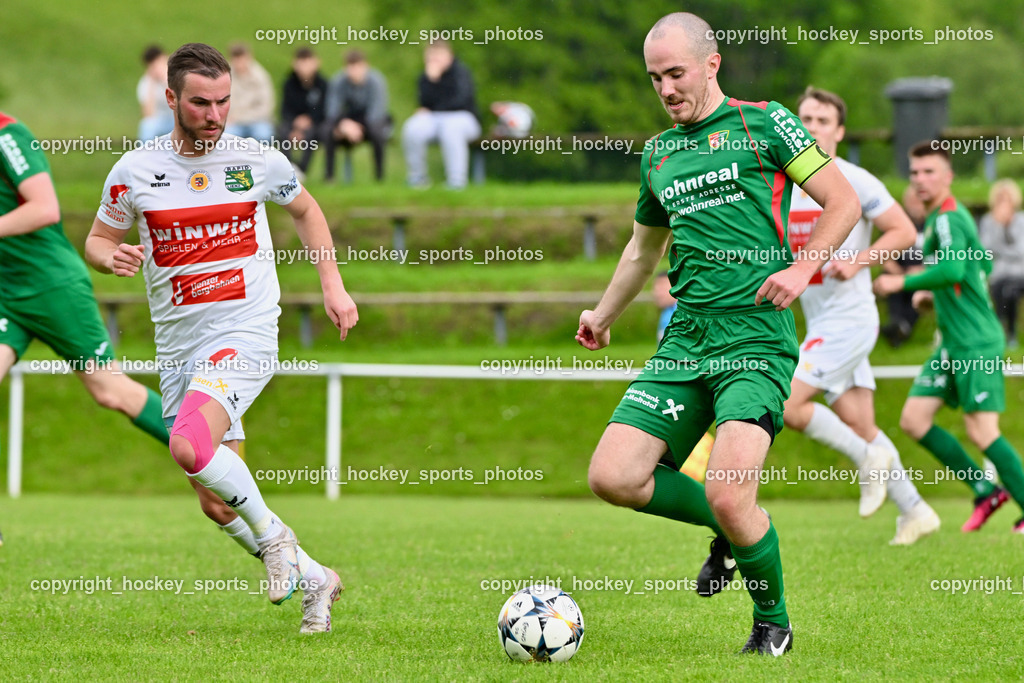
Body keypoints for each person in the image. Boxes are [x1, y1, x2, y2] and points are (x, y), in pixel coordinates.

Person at [578, 13, 860, 655]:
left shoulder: (767, 122)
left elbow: (842, 201)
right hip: (686, 339)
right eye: (655, 79)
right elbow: (640, 253)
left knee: (732, 496)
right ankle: (741, 527)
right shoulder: (658, 154)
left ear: (712, 63)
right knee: (613, 477)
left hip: (755, 338)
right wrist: (602, 314)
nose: (667, 89)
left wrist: (802, 264)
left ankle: (773, 624)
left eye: (676, 73)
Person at [85, 43, 359, 632]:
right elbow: (96, 241)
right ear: (171, 101)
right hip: (180, 347)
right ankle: (316, 578)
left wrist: (333, 287)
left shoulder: (256, 160)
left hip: (246, 330)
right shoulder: (134, 172)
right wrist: (114, 258)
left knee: (187, 443)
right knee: (213, 497)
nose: (215, 114)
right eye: (201, 103)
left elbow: (307, 211)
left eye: (224, 101)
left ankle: (276, 539)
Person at [781, 87, 939, 545]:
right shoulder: (783, 186)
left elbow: (905, 230)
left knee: (789, 404)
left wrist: (860, 260)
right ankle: (915, 511)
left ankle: (867, 460)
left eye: (822, 121)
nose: (810, 128)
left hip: (850, 323)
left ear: (840, 131)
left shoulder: (852, 179)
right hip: (822, 323)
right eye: (804, 118)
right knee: (862, 424)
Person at [0, 111, 171, 458]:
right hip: (6, 292)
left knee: (110, 390)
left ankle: (219, 455)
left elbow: (44, 208)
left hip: (50, 284)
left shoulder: (8, 136)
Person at [874, 142, 1024, 534]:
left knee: (982, 430)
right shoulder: (939, 219)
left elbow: (955, 269)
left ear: (948, 177)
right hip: (952, 342)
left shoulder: (948, 218)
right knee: (914, 419)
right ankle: (984, 490)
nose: (921, 180)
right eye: (915, 173)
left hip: (975, 342)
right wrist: (931, 295)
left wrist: (901, 282)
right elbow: (972, 269)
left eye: (929, 172)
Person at [401, 40, 480, 189]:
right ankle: (417, 178)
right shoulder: (425, 77)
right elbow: (423, 102)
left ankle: (456, 181)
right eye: (431, 58)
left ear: (449, 56)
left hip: (462, 118)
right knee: (412, 127)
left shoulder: (461, 73)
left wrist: (435, 104)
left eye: (438, 57)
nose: (434, 62)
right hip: (434, 119)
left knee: (451, 129)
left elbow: (460, 100)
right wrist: (431, 81)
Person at [322, 50, 391, 182]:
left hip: (370, 123)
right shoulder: (338, 81)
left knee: (377, 132)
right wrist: (343, 125)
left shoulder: (377, 82)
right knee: (328, 131)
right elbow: (332, 109)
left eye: (358, 67)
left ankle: (379, 177)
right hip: (346, 122)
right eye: (351, 68)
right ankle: (329, 177)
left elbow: (377, 111)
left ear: (366, 66)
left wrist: (357, 127)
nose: (355, 72)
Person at [978, 179, 1024, 347]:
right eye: (1000, 199)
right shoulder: (988, 221)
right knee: (1001, 288)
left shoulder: (1021, 221)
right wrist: (998, 226)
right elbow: (985, 250)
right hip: (998, 275)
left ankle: (1009, 332)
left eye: (1007, 199)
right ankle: (999, 332)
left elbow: (1021, 251)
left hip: (1020, 273)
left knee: (1009, 290)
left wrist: (1001, 250)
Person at [880, 186, 926, 347]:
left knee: (916, 291)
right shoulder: (896, 224)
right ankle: (898, 325)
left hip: (922, 274)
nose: (915, 204)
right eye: (912, 201)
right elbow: (882, 253)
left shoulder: (930, 225)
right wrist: (897, 271)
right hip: (898, 271)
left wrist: (922, 270)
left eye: (918, 201)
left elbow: (940, 257)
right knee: (895, 287)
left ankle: (900, 327)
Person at [277, 47, 328, 176]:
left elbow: (324, 109)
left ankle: (302, 170)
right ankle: (287, 169)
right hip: (293, 122)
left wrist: (309, 120)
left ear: (316, 63)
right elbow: (285, 109)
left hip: (314, 123)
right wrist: (296, 124)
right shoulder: (289, 83)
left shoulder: (323, 84)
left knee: (312, 134)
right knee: (282, 132)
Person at [225, 43, 275, 142]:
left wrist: (240, 117)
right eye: (236, 60)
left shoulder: (261, 77)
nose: (239, 64)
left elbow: (265, 108)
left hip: (257, 120)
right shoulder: (225, 76)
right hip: (232, 122)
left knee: (263, 135)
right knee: (226, 136)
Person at [137, 45, 174, 141]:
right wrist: (152, 83)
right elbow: (148, 115)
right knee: (147, 126)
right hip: (163, 120)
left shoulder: (178, 73)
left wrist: (166, 81)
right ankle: (145, 154)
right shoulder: (146, 83)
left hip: (180, 117)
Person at [652, 270, 676, 343]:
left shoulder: (681, 314)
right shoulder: (667, 312)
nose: (657, 294)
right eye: (656, 289)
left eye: (662, 288)